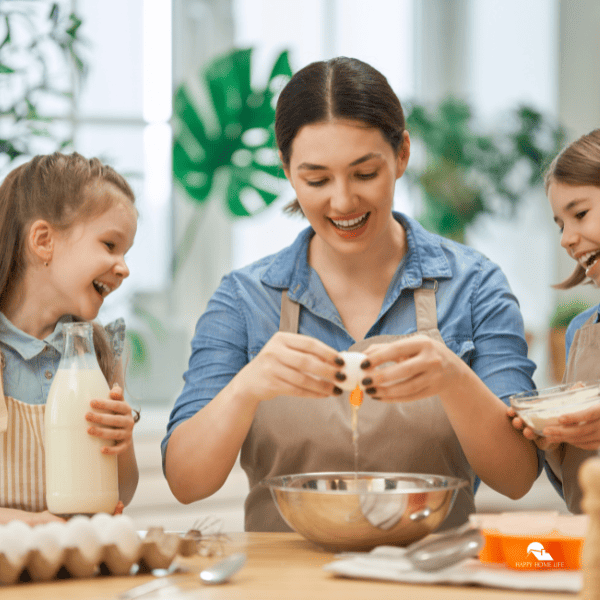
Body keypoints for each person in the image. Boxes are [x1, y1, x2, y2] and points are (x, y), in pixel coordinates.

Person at [163, 57, 542, 532]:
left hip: (433, 575)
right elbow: (185, 481)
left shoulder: (475, 286)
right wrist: (247, 386)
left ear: (401, 154)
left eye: (365, 173)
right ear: (287, 170)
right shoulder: (245, 299)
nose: (342, 201)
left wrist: (452, 377)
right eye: (316, 180)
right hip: (282, 579)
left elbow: (518, 476)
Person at [0, 152, 139, 525]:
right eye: (110, 245)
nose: (124, 268)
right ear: (44, 241)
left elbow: (121, 492)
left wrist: (121, 444)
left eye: (126, 252)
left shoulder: (97, 354)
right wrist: (41, 524)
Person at [508, 129, 600, 513]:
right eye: (560, 224)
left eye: (580, 214)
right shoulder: (582, 331)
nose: (565, 239)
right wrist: (554, 442)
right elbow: (577, 491)